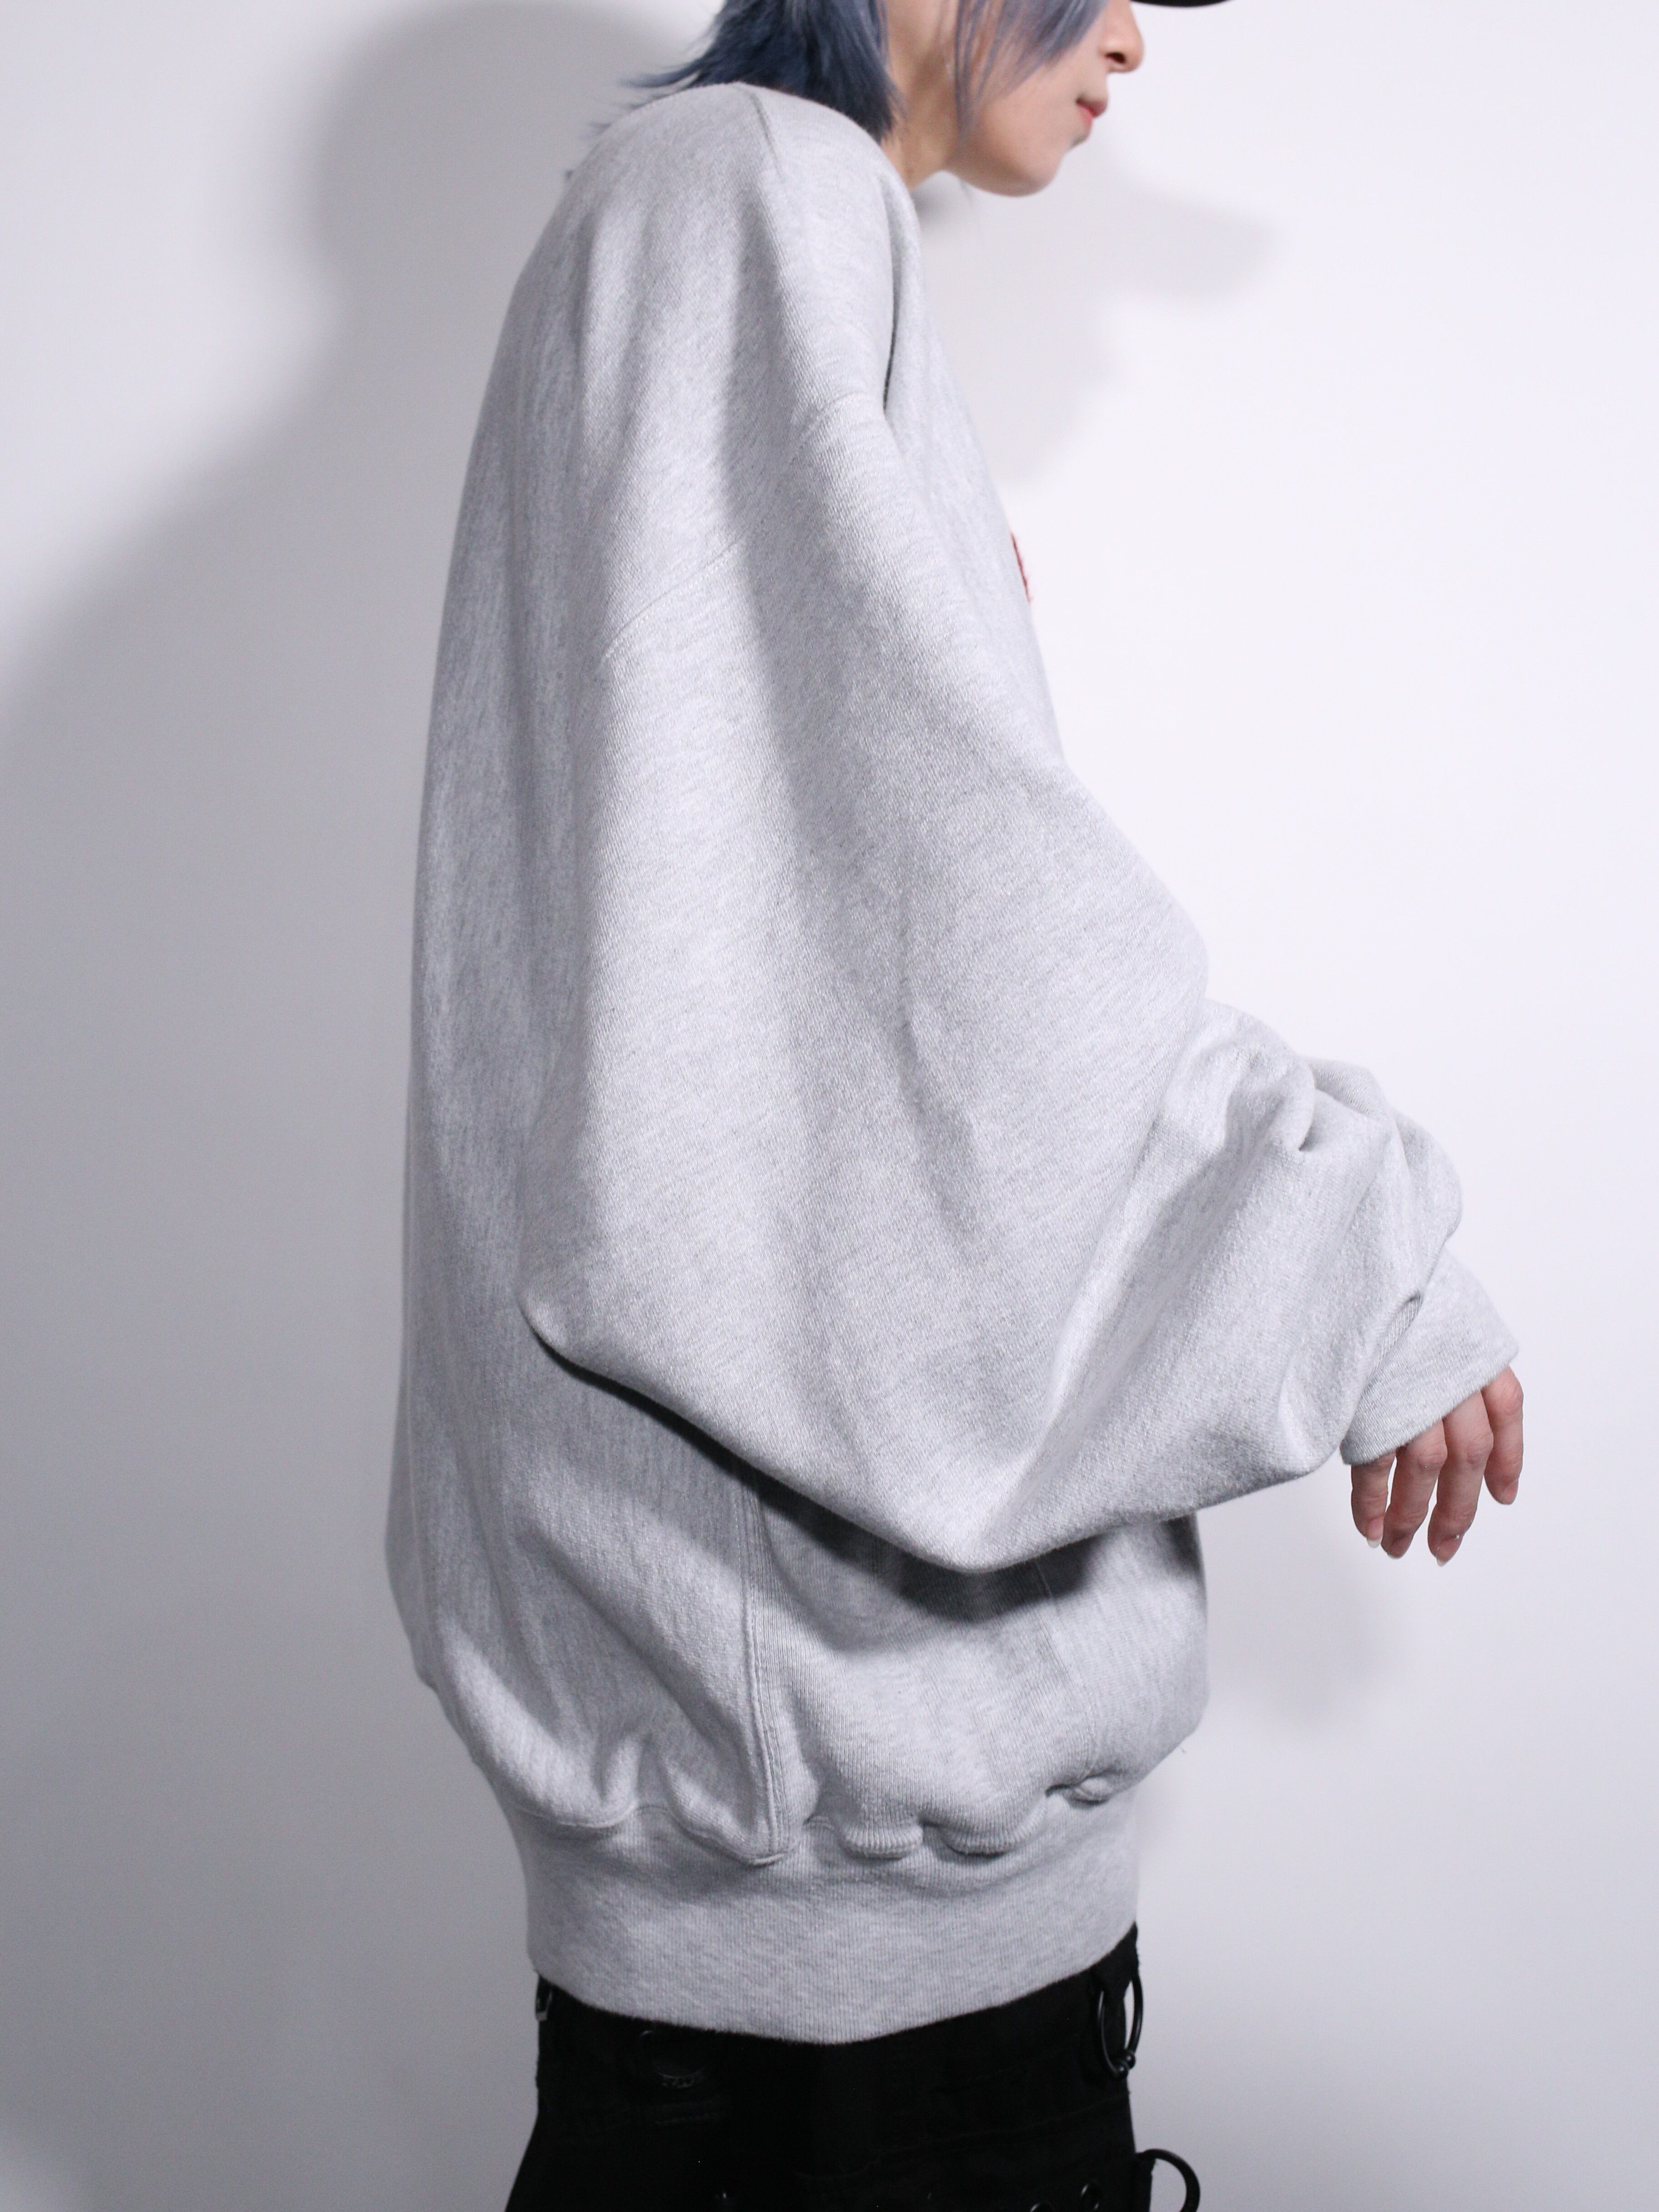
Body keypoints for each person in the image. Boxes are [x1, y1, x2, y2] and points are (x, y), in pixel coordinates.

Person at [387, 0, 1524, 2204]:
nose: (1133, 39)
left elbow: (811, 963)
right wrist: (1348, 1252)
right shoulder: (760, 201)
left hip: (742, 1939)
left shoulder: (671, 227)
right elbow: (936, 969)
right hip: (867, 2003)